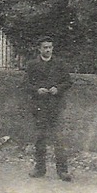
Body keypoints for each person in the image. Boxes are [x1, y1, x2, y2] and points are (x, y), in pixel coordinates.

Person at [25, 37, 72, 181]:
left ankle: (63, 171)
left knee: (59, 139)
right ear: (39, 49)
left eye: (50, 47)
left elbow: (68, 82)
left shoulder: (59, 64)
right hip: (39, 107)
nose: (48, 50)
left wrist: (57, 88)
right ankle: (39, 169)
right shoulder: (32, 65)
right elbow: (25, 84)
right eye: (45, 47)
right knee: (40, 138)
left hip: (55, 106)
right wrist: (36, 90)